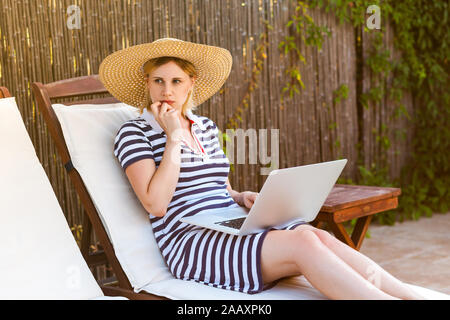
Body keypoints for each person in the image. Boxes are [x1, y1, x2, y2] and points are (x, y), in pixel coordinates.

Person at [99, 38, 424, 299]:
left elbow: (218, 187)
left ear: (190, 85)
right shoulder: (135, 133)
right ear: (147, 83)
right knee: (304, 244)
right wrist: (172, 139)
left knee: (315, 235)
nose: (167, 91)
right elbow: (155, 205)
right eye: (158, 81)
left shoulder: (205, 127)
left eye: (175, 81)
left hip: (230, 222)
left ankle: (409, 297)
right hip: (190, 240)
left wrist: (241, 196)